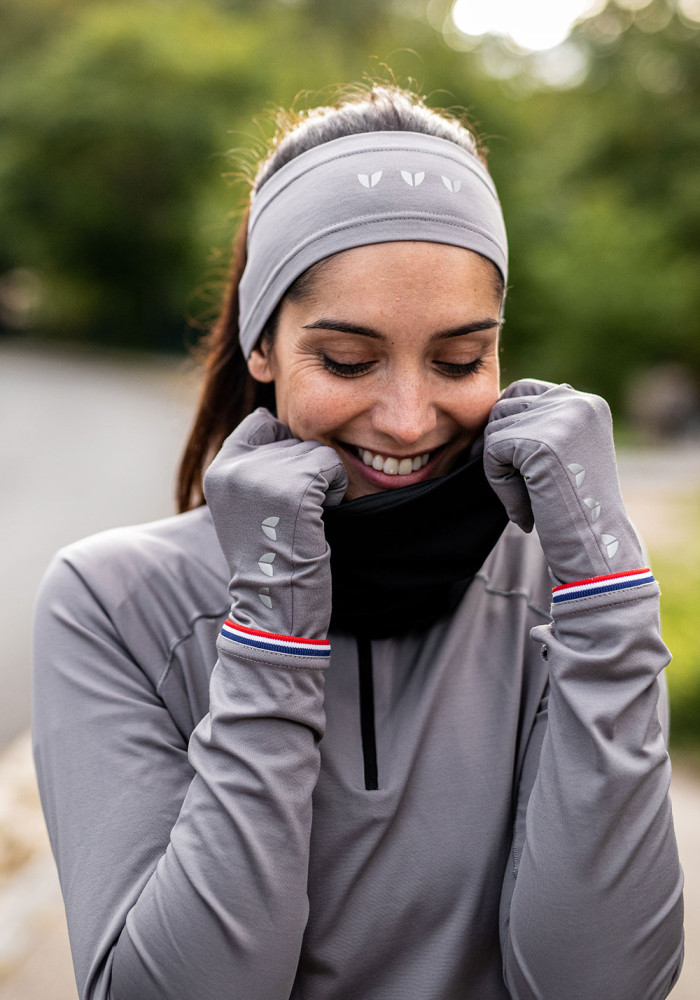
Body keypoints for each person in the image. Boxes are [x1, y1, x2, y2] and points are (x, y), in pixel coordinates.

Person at [33, 85, 684, 1000]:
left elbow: (599, 986)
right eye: (347, 360)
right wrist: (271, 625)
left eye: (460, 360)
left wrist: (611, 602)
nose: (411, 418)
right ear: (263, 344)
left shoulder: (562, 589)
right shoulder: (111, 602)